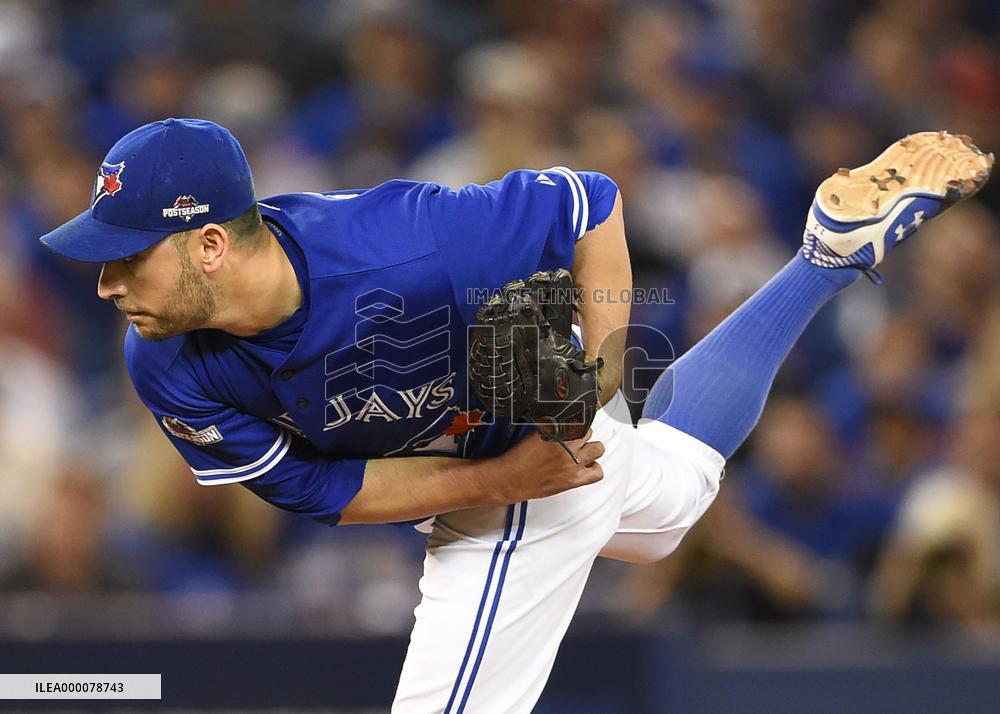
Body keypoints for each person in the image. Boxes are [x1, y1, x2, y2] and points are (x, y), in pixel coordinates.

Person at [40, 119, 992, 712]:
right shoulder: (161, 356)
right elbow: (315, 487)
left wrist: (593, 386)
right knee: (675, 501)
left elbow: (594, 205)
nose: (107, 281)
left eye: (129, 255)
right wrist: (512, 471)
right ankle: (825, 259)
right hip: (494, 465)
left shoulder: (406, 242)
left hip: (523, 437)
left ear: (209, 244)